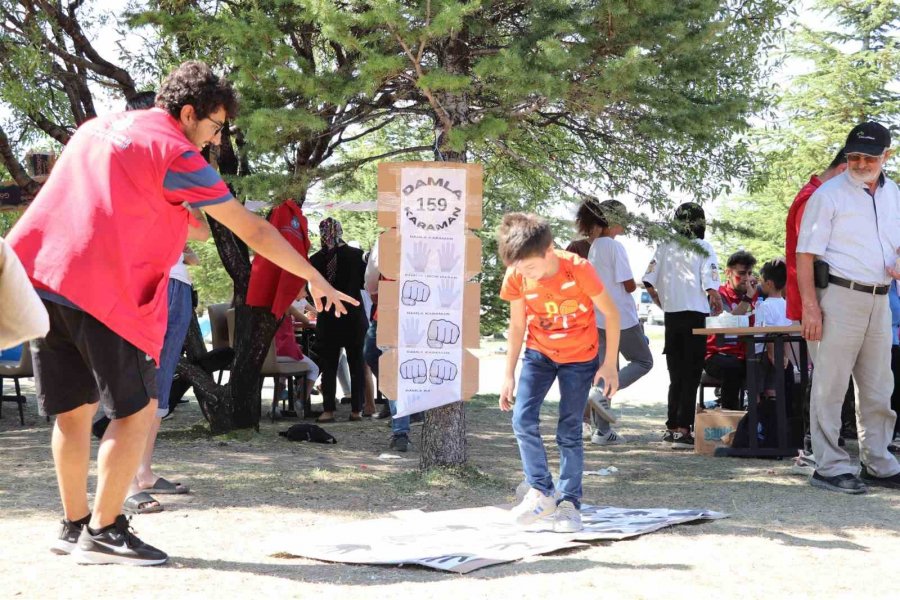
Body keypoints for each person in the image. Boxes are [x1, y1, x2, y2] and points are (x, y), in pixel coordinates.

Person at [7, 61, 357, 566]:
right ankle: (105, 531)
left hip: (41, 279)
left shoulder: (96, 128)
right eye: (214, 128)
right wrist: (316, 277)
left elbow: (119, 205)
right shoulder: (175, 149)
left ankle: (74, 523)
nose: (215, 142)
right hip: (102, 290)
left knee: (73, 411)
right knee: (138, 411)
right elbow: (253, 230)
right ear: (188, 112)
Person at [498, 212, 621, 533]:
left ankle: (569, 503)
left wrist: (609, 364)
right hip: (538, 354)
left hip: (580, 357)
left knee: (569, 430)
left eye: (530, 267)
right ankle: (541, 490)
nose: (526, 274)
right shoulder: (517, 274)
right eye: (519, 268)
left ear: (548, 250)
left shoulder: (578, 269)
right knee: (522, 419)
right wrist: (508, 374)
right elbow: (517, 324)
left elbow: (611, 313)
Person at [797, 121, 900, 493]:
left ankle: (879, 463)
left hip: (881, 298)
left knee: (878, 387)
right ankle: (829, 466)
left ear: (886, 156)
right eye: (854, 155)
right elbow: (805, 254)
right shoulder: (828, 194)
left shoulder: (895, 195)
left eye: (868, 157)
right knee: (830, 386)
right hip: (837, 297)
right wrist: (811, 307)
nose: (859, 163)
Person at [642, 202, 723, 449]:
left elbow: (648, 281)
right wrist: (715, 298)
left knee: (675, 374)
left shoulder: (665, 246)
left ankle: (671, 427)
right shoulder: (703, 246)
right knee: (691, 374)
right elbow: (710, 283)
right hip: (695, 316)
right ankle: (683, 429)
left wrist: (661, 302)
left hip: (672, 317)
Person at [583, 199, 653, 445]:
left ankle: (602, 432)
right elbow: (628, 284)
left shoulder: (594, 247)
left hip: (599, 316)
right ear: (613, 221)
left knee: (606, 368)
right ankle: (600, 394)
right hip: (621, 318)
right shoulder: (615, 247)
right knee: (644, 361)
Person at [309, 217, 368, 423]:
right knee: (356, 363)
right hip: (353, 316)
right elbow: (365, 284)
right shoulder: (357, 256)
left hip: (327, 318)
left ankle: (328, 410)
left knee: (329, 365)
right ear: (341, 231)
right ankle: (356, 410)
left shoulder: (314, 260)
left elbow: (311, 294)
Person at [704, 250, 758, 410]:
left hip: (745, 353)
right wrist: (748, 299)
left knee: (772, 365)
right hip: (716, 354)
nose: (746, 278)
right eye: (741, 273)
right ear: (728, 272)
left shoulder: (754, 293)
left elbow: (776, 285)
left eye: (749, 273)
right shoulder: (719, 295)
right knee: (733, 368)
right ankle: (729, 417)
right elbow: (728, 323)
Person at [753, 259, 794, 397]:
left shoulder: (764, 306)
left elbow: (769, 333)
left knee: (757, 389)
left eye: (761, 280)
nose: (759, 283)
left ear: (769, 283)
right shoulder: (786, 305)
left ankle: (758, 416)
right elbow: (786, 333)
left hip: (762, 353)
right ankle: (773, 416)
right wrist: (785, 356)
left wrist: (772, 355)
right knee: (772, 389)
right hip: (780, 352)